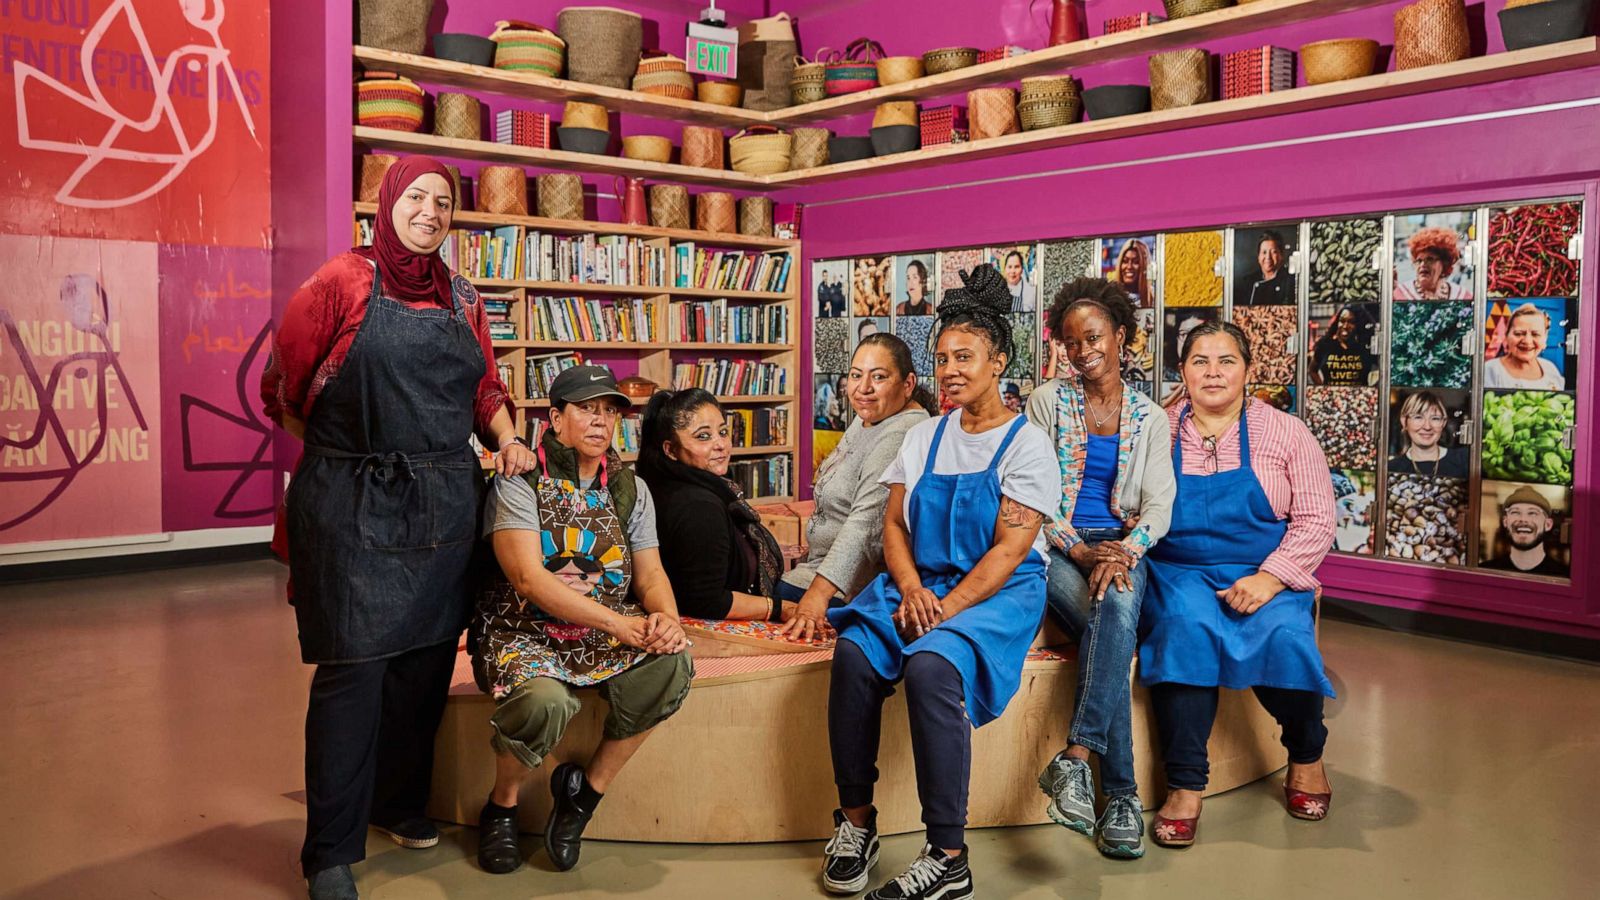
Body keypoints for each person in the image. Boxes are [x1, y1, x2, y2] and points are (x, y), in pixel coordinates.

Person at [261, 156, 536, 900]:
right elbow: (283, 385)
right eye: (415, 197)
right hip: (351, 503)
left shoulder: (464, 295)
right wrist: (339, 454)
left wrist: (507, 437)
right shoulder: (339, 283)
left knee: (420, 669)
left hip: (443, 500)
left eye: (443, 202)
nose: (430, 212)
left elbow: (484, 385)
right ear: (386, 203)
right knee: (354, 675)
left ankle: (396, 803)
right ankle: (329, 853)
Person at [819, 264, 1060, 900]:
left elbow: (1010, 551)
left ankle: (948, 857)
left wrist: (942, 608)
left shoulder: (1027, 446)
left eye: (967, 356)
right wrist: (913, 589)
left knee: (931, 667)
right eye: (944, 357)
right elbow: (893, 526)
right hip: (918, 581)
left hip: (996, 593)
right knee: (853, 655)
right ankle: (855, 822)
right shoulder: (925, 436)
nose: (952, 369)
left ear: (999, 359)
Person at [470, 365, 691, 876]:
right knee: (545, 701)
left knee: (671, 664)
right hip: (521, 629)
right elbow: (527, 579)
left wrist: (667, 620)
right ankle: (501, 806)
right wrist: (619, 626)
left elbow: (651, 573)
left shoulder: (629, 488)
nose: (601, 421)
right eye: (587, 409)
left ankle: (582, 798)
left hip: (596, 633)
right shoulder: (519, 479)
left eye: (610, 411)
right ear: (555, 418)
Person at [1139, 321, 1337, 849]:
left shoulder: (1286, 432)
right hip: (1180, 569)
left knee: (1284, 638)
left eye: (1226, 361)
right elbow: (1127, 501)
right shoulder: (1156, 429)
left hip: (1266, 565)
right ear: (1181, 371)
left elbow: (1317, 519)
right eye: (1199, 361)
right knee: (1183, 631)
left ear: (1249, 371)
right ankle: (1184, 784)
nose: (1213, 372)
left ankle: (1306, 755)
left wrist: (1271, 578)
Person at [1027, 278, 1175, 860]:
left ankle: (1076, 761)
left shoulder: (1150, 417)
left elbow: (1159, 506)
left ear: (1119, 335)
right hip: (1060, 548)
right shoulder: (1046, 402)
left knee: (1110, 611)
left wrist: (1123, 551)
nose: (1082, 349)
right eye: (1069, 341)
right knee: (1108, 623)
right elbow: (1034, 498)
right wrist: (1083, 551)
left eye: (1093, 336)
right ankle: (1121, 797)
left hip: (1123, 546)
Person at [775, 334, 933, 642]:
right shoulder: (873, 417)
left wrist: (817, 597)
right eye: (856, 375)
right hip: (821, 565)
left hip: (854, 585)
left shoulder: (901, 432)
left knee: (765, 588)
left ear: (908, 383)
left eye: (879, 377)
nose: (863, 388)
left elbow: (866, 525)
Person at [638, 388, 786, 621]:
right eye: (703, 436)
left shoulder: (669, 484)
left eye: (723, 432)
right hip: (708, 626)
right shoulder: (699, 507)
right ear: (671, 450)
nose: (720, 445)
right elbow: (707, 601)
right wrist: (780, 608)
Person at [1481, 486, 1568, 576]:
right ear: (1505, 522)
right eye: (1515, 512)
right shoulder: (1486, 571)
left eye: (1532, 513)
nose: (1523, 519)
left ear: (1548, 524)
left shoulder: (1564, 576)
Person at [1387, 390, 1468, 480]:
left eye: (1435, 418)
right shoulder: (1391, 467)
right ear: (1404, 421)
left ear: (1443, 422)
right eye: (1418, 417)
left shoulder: (1464, 460)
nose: (1427, 426)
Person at [1485, 303, 1564, 389]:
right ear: (1506, 336)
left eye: (1535, 334)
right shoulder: (1490, 370)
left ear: (1545, 340)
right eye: (1519, 334)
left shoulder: (1551, 369)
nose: (1527, 341)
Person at [1395, 226, 1472, 300]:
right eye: (1419, 261)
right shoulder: (1400, 294)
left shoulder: (1462, 295)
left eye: (1429, 260)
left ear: (1444, 263)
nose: (1422, 265)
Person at [1310, 305, 1376, 386]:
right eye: (1342, 321)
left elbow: (1385, 369)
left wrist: (1374, 390)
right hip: (1331, 396)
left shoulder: (1365, 347)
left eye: (1351, 322)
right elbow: (1312, 370)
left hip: (1359, 396)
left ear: (1359, 325)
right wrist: (1321, 388)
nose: (1345, 326)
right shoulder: (1325, 345)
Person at [1245, 231, 1294, 306]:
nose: (1268, 257)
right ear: (1258, 257)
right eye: (1264, 252)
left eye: (1273, 252)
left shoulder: (1290, 281)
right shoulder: (1248, 281)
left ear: (1281, 255)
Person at [1114, 238, 1151, 304]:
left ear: (1144, 266)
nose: (1129, 266)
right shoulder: (1110, 297)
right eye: (1125, 261)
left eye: (1135, 262)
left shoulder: (1155, 298)